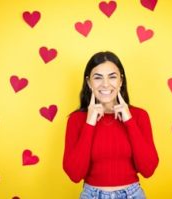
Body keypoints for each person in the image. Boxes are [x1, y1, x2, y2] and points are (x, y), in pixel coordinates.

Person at [63, 51, 159, 199]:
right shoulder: (77, 120)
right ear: (89, 83)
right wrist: (89, 123)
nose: (106, 84)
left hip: (132, 195)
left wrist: (129, 121)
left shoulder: (139, 116)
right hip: (92, 195)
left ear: (121, 81)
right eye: (98, 78)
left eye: (112, 77)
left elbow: (148, 169)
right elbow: (75, 175)